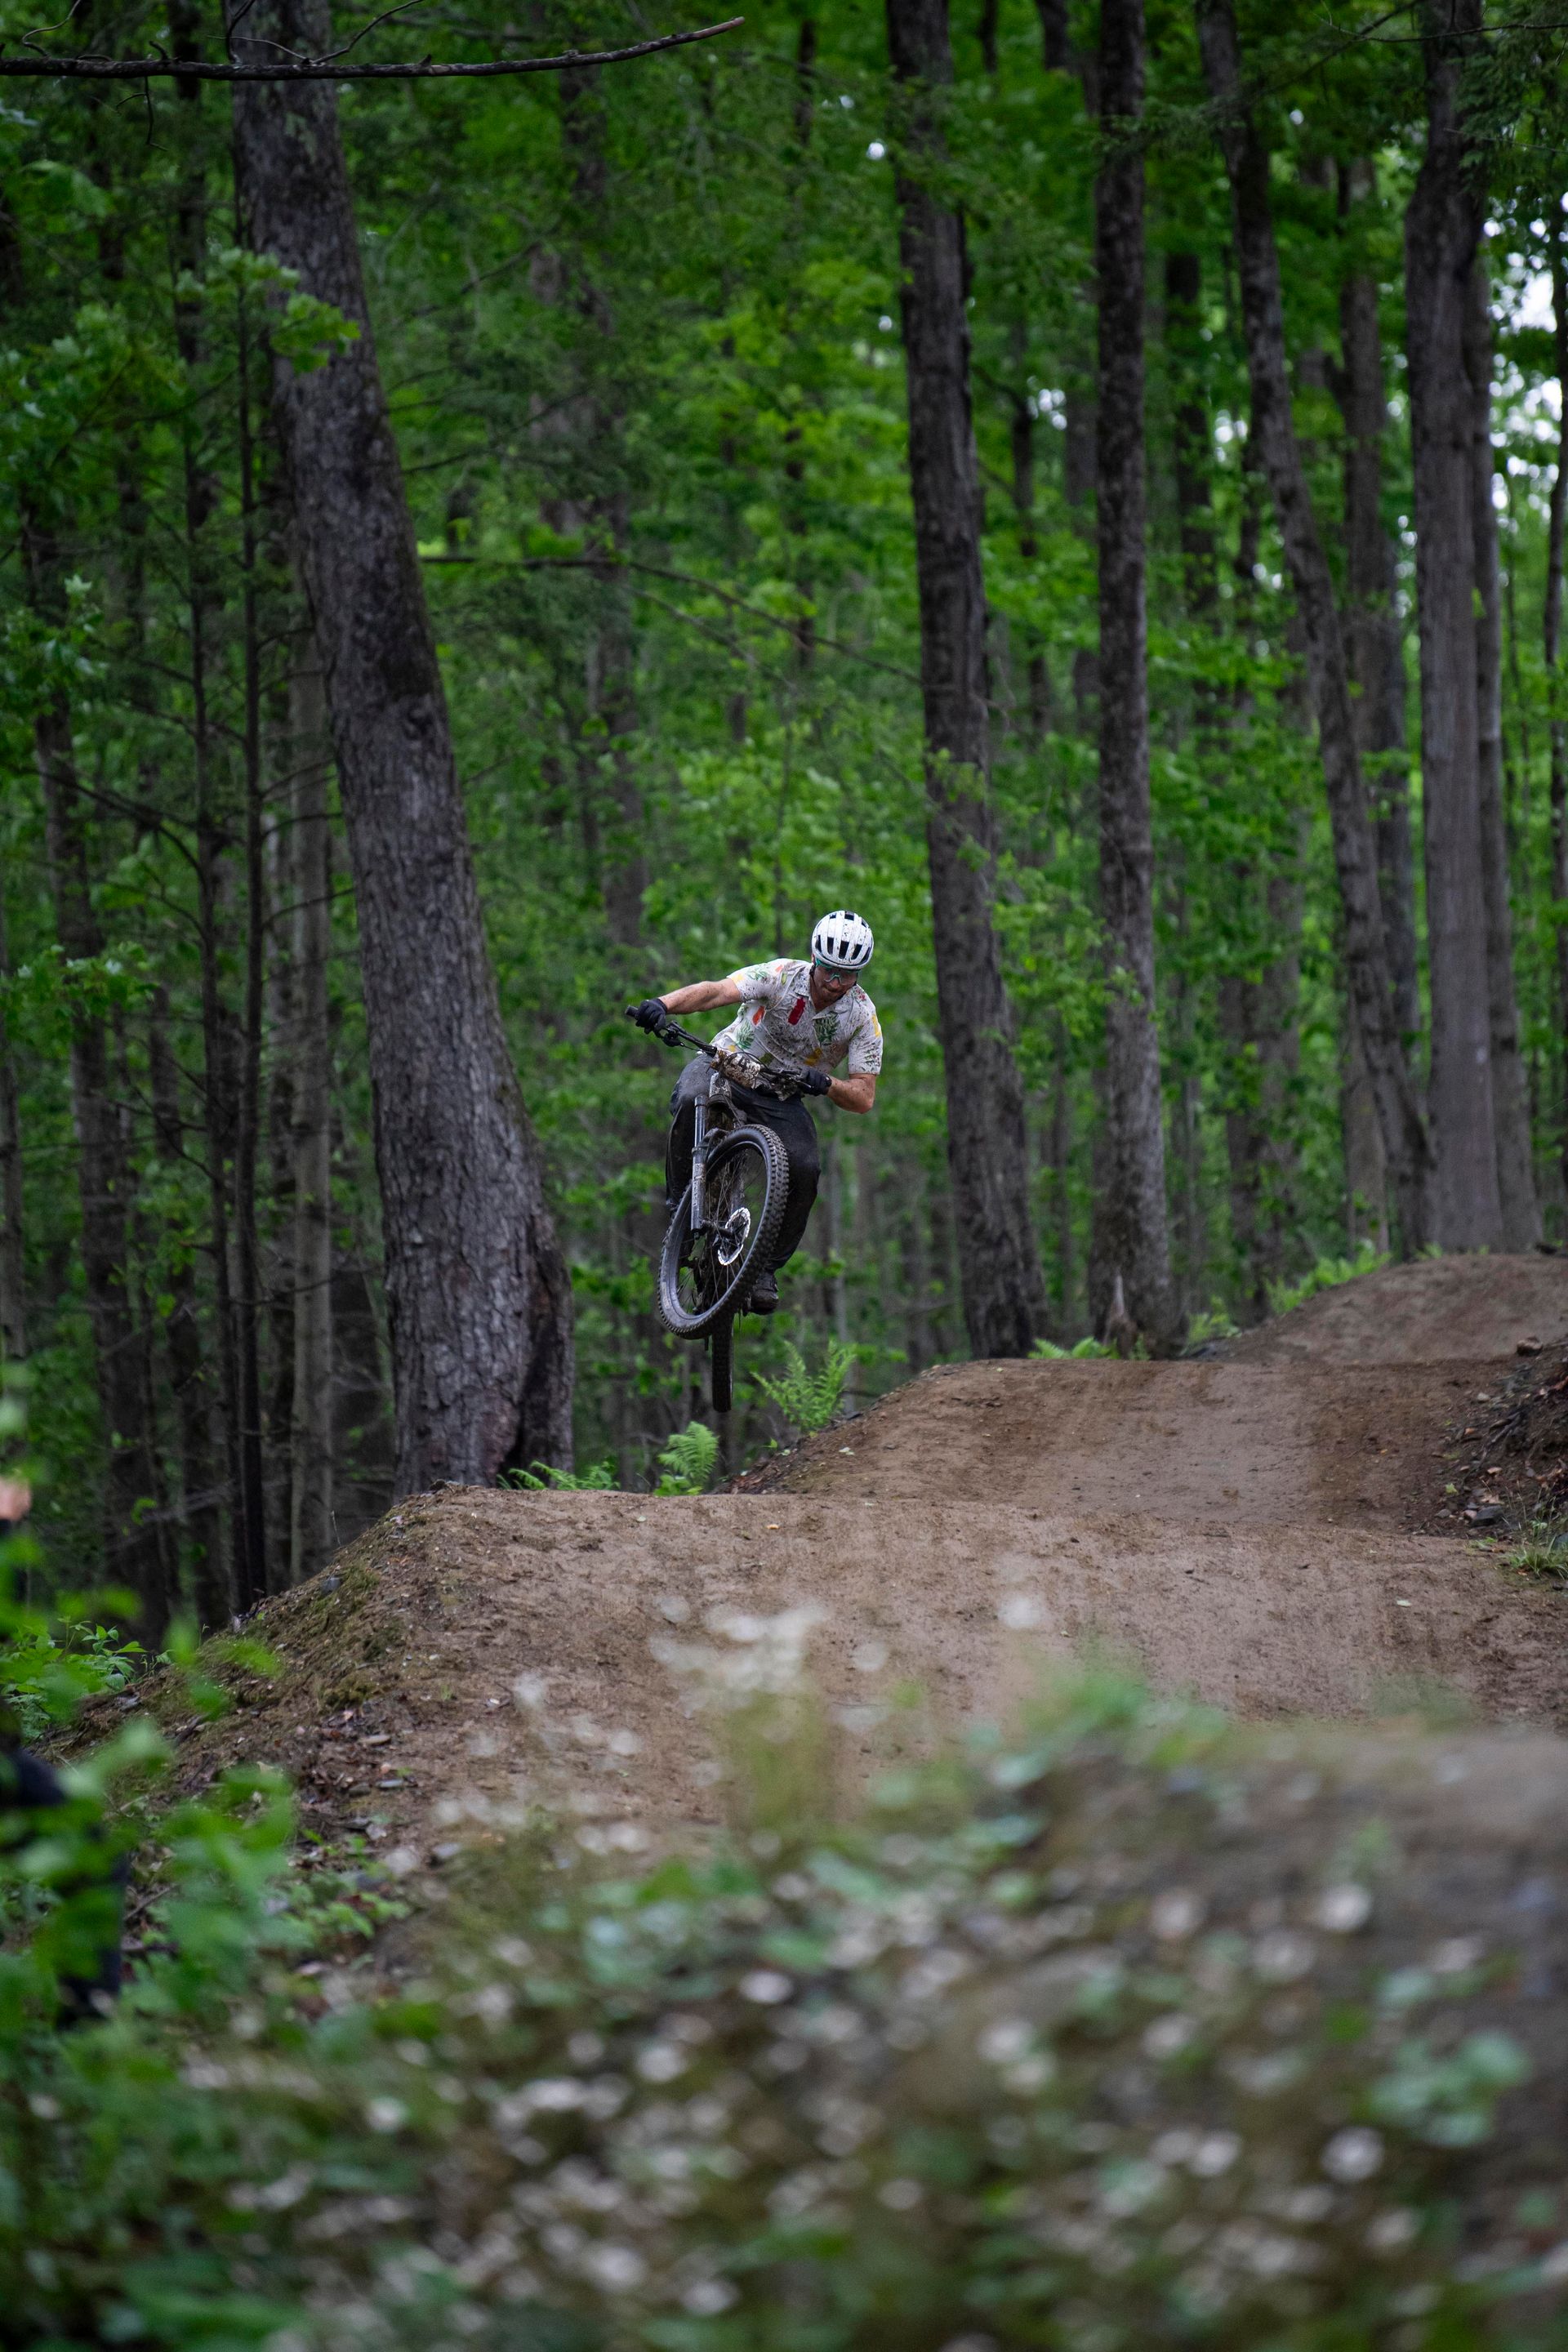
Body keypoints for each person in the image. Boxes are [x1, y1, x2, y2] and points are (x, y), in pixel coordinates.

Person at [631, 909, 882, 1312]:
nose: (835, 983)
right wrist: (663, 1004)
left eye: (847, 975)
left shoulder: (861, 1016)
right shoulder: (781, 975)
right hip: (727, 1063)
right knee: (688, 1098)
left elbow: (864, 1096)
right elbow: (717, 991)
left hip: (783, 1094)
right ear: (815, 959)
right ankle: (680, 1214)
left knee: (804, 1167)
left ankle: (764, 1268)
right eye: (830, 970)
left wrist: (828, 1084)